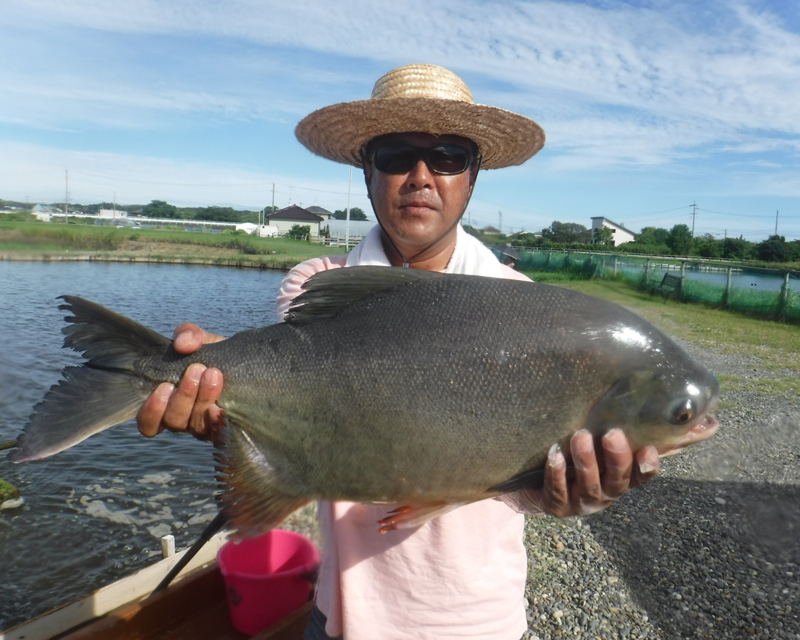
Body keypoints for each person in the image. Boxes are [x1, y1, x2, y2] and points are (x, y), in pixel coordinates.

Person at [137, 64, 702, 640]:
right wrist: (219, 404)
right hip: (339, 616)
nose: (421, 177)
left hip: (479, 622)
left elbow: (522, 489)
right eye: (395, 155)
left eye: (450, 157)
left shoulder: (523, 306)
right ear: (366, 171)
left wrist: (571, 495)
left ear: (473, 177)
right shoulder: (318, 281)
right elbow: (299, 394)